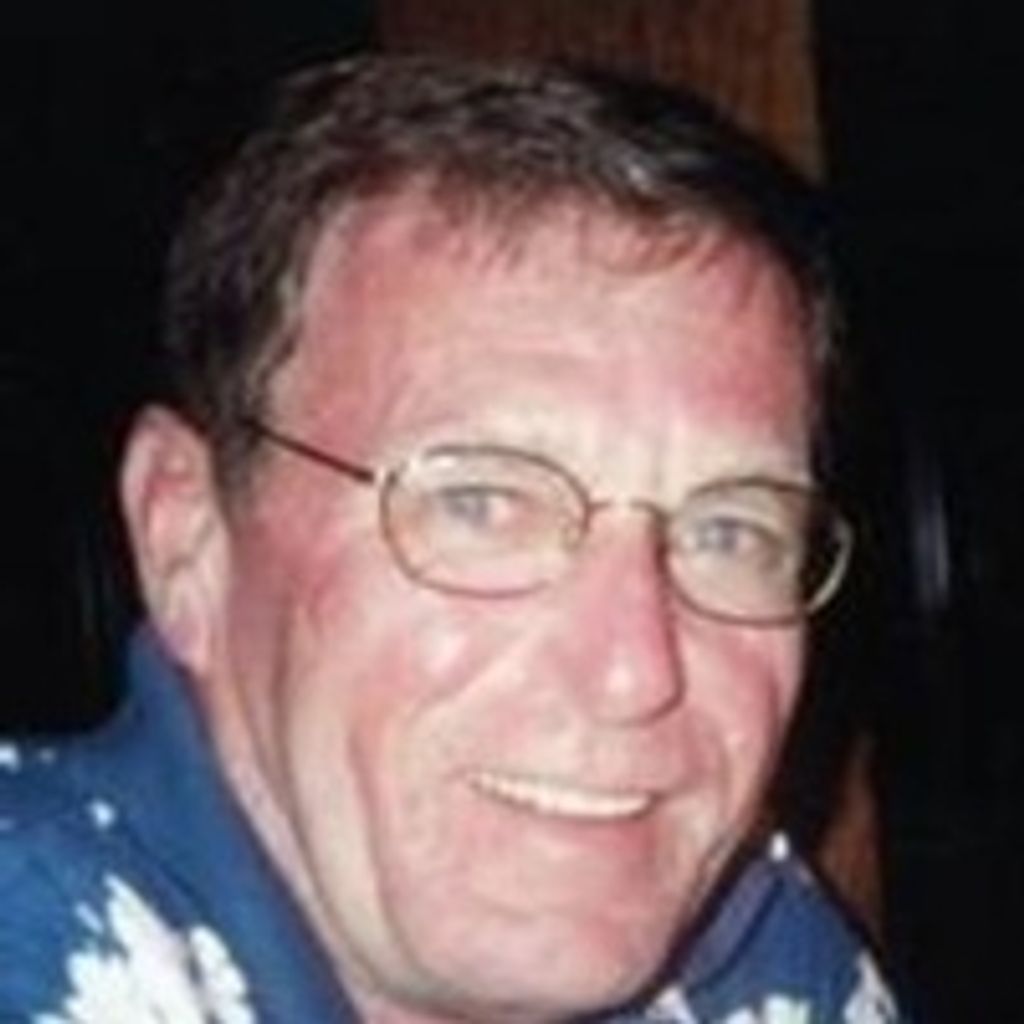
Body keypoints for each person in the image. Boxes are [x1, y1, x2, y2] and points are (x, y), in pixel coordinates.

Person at [0, 54, 901, 1023]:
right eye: (481, 502)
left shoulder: (754, 948)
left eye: (727, 529)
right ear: (186, 539)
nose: (634, 675)